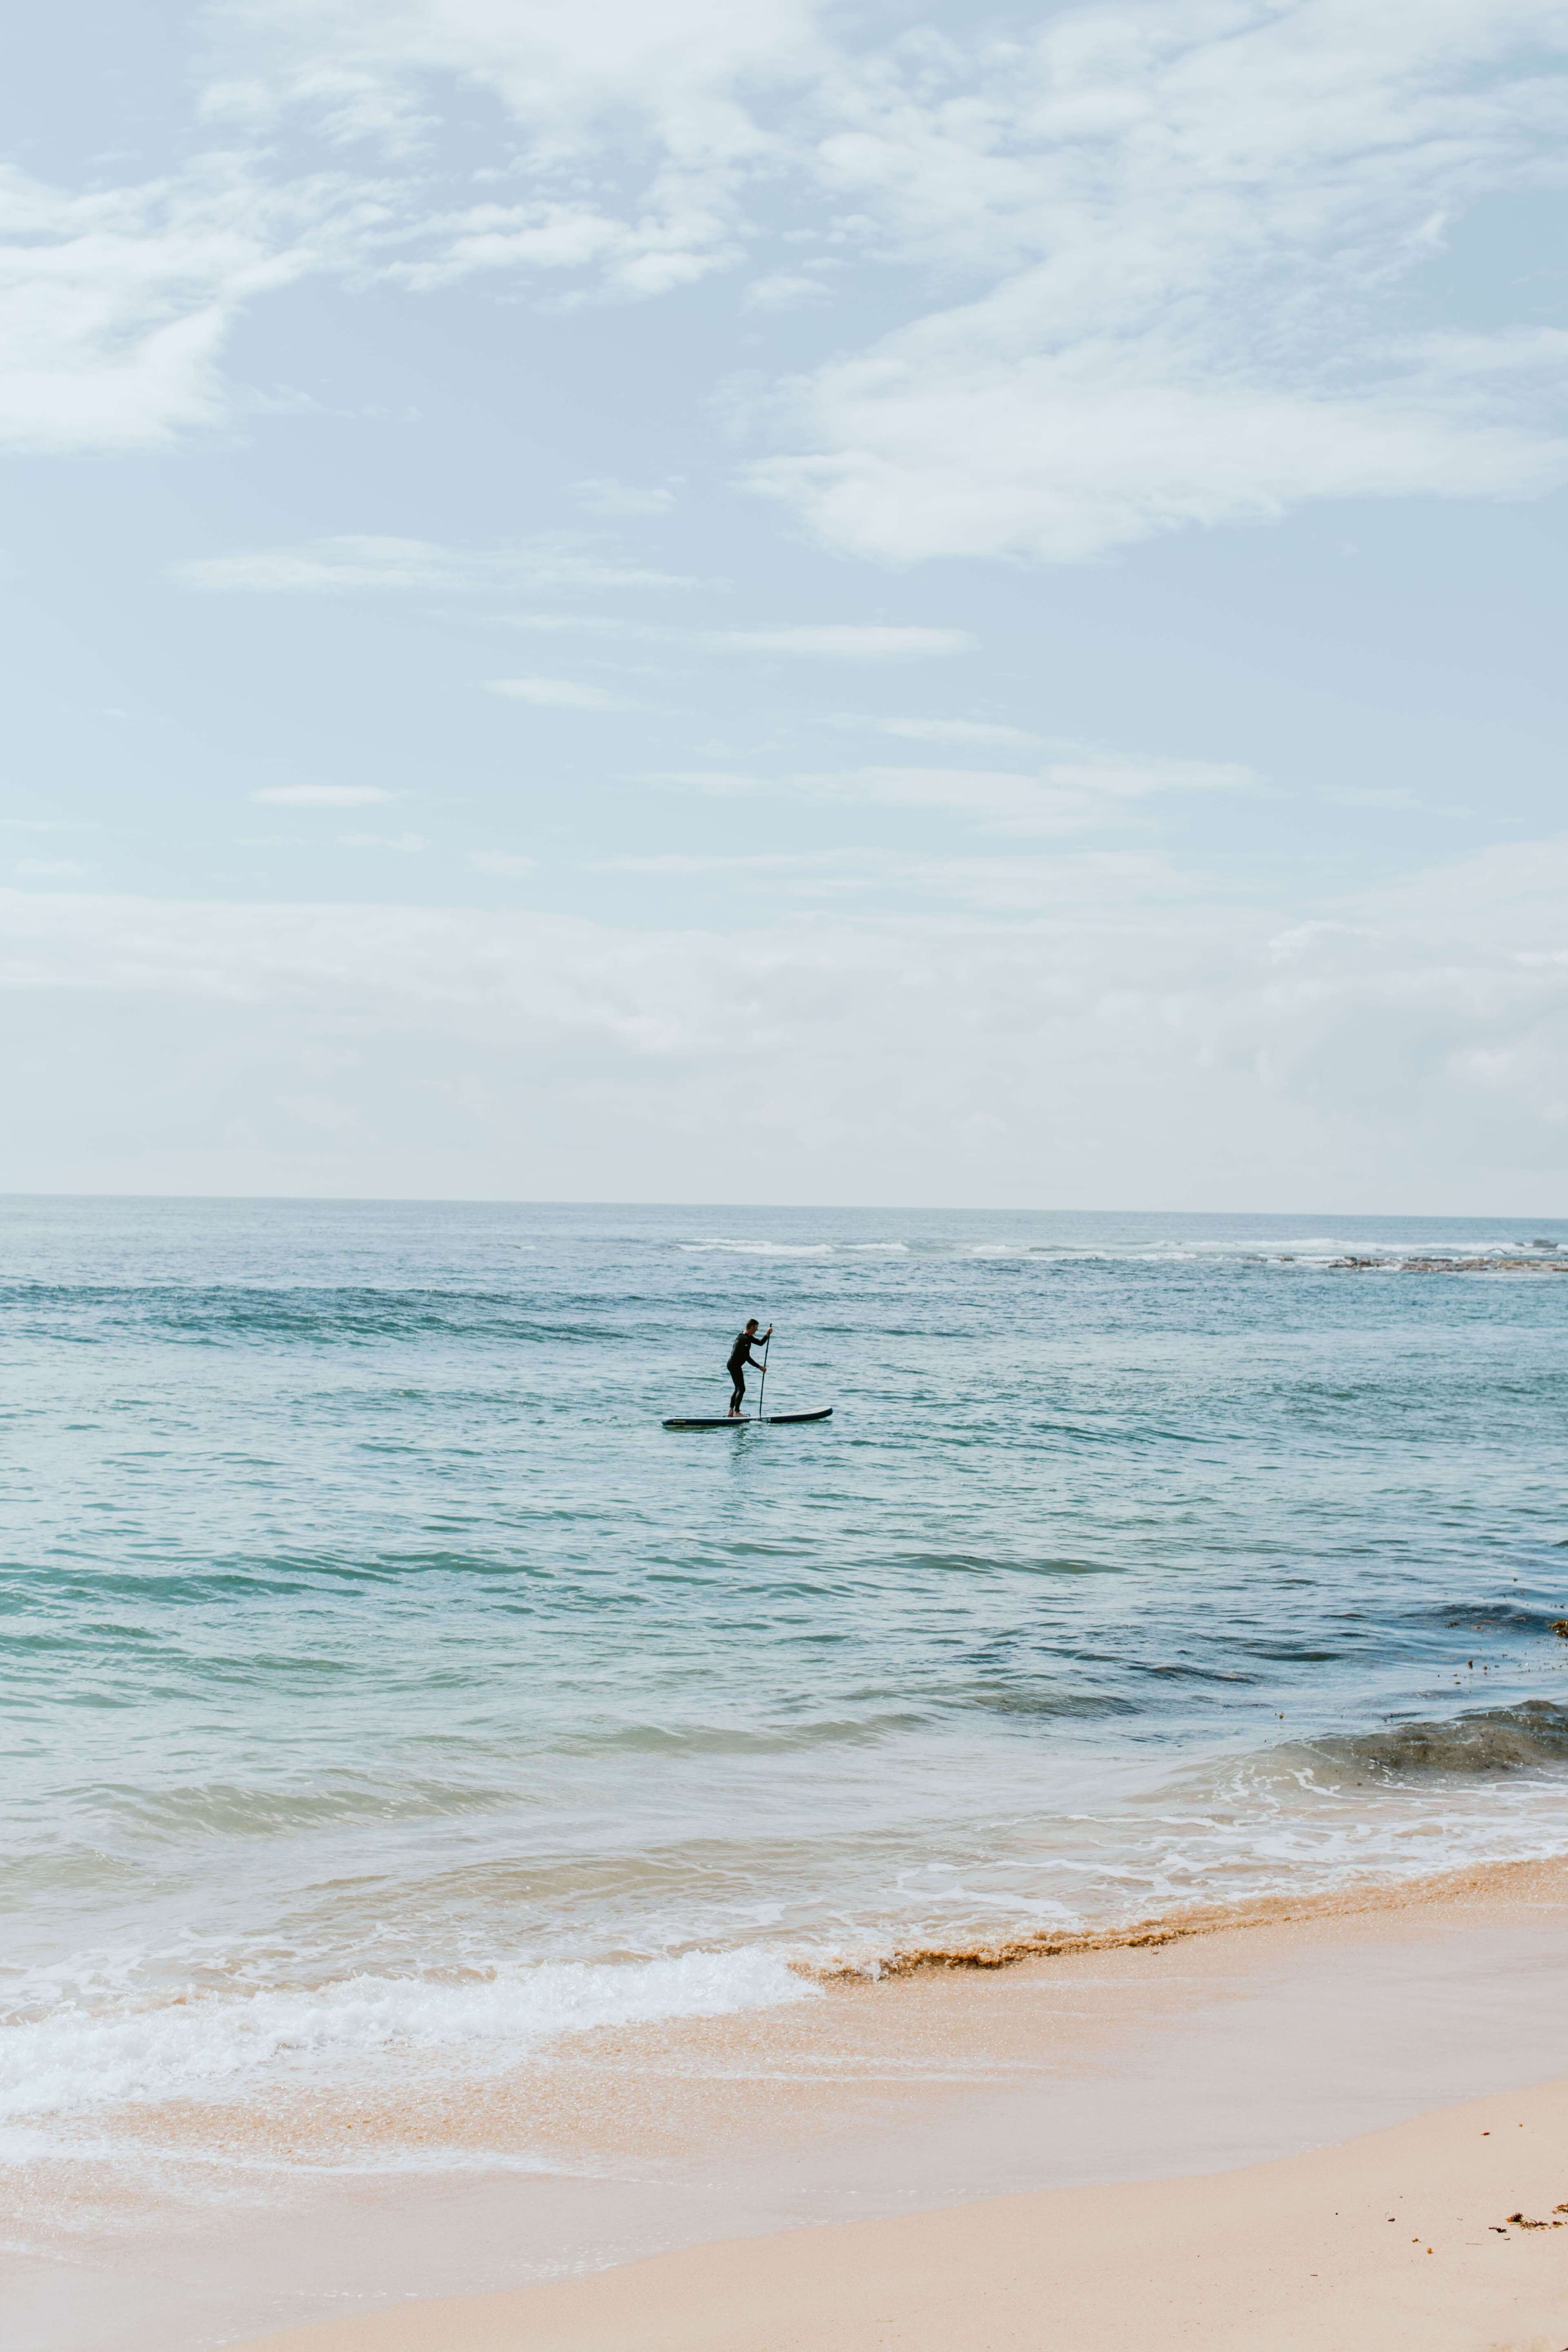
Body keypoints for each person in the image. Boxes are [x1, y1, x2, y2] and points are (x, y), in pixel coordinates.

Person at [726, 1318, 773, 1418]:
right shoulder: (745, 1340)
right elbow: (748, 1358)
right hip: (734, 1366)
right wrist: (760, 1367)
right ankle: (736, 1412)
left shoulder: (746, 1336)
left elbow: (760, 1343)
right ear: (752, 1327)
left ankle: (731, 1412)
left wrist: (767, 1334)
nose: (757, 1330)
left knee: (738, 1389)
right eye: (756, 1328)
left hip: (732, 1365)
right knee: (741, 1389)